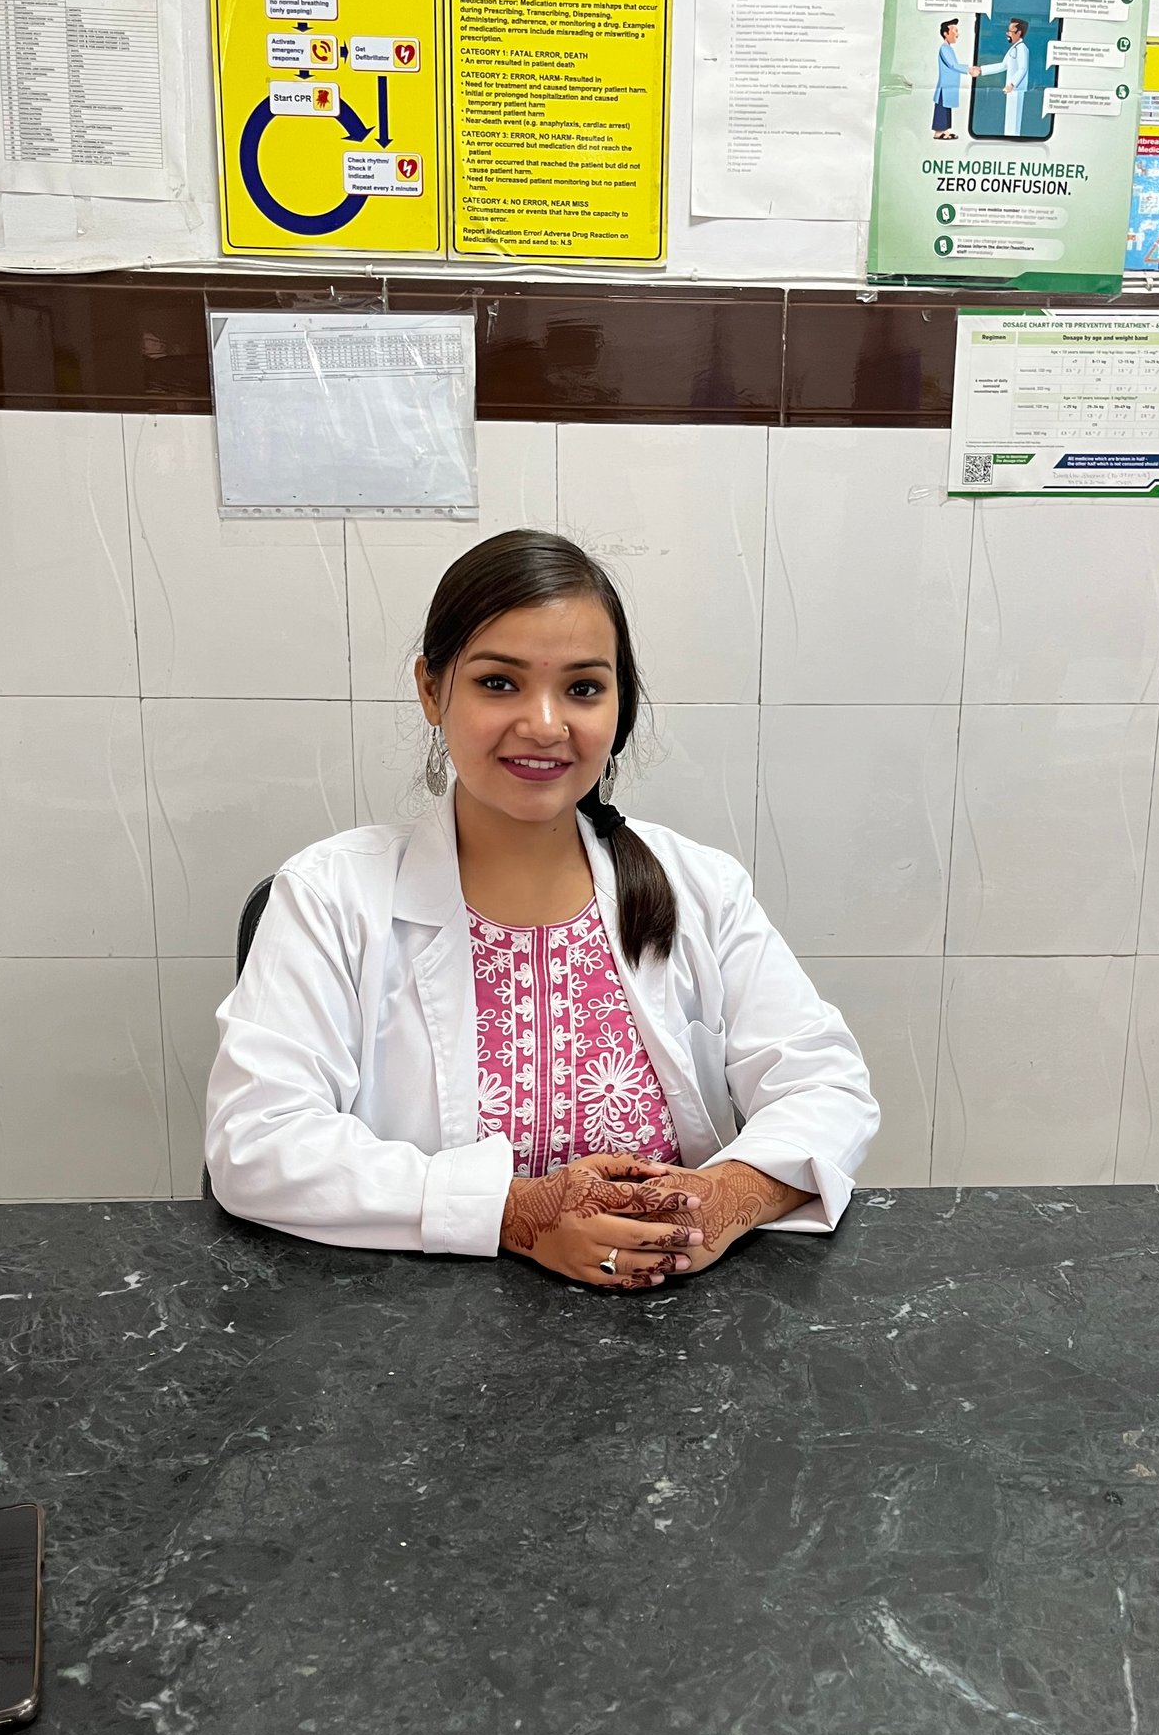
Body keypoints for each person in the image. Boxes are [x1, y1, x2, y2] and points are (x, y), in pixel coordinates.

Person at [205, 530, 878, 1293]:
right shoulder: (330, 894)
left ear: (620, 704)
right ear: (431, 689)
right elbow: (257, 1141)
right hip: (413, 1324)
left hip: (670, 1319)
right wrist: (511, 1212)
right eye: (499, 682)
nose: (546, 724)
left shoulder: (700, 887)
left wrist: (722, 1200)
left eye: (584, 688)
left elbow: (826, 1087)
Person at [974, 17, 1031, 137]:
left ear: (1018, 33)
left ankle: (1012, 140)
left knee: (1014, 120)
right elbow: (1003, 65)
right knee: (1010, 120)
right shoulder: (1014, 48)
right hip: (1011, 90)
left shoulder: (1021, 48)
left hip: (1016, 89)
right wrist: (981, 70)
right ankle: (1009, 138)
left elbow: (1023, 69)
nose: (1007, 34)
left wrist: (1012, 84)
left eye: (1010, 31)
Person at [931, 16, 964, 137]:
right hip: (944, 86)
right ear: (946, 33)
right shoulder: (944, 49)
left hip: (949, 85)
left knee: (946, 108)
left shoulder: (949, 48)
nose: (957, 34)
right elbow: (953, 65)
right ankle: (938, 132)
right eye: (955, 31)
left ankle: (944, 130)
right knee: (941, 108)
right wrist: (969, 69)